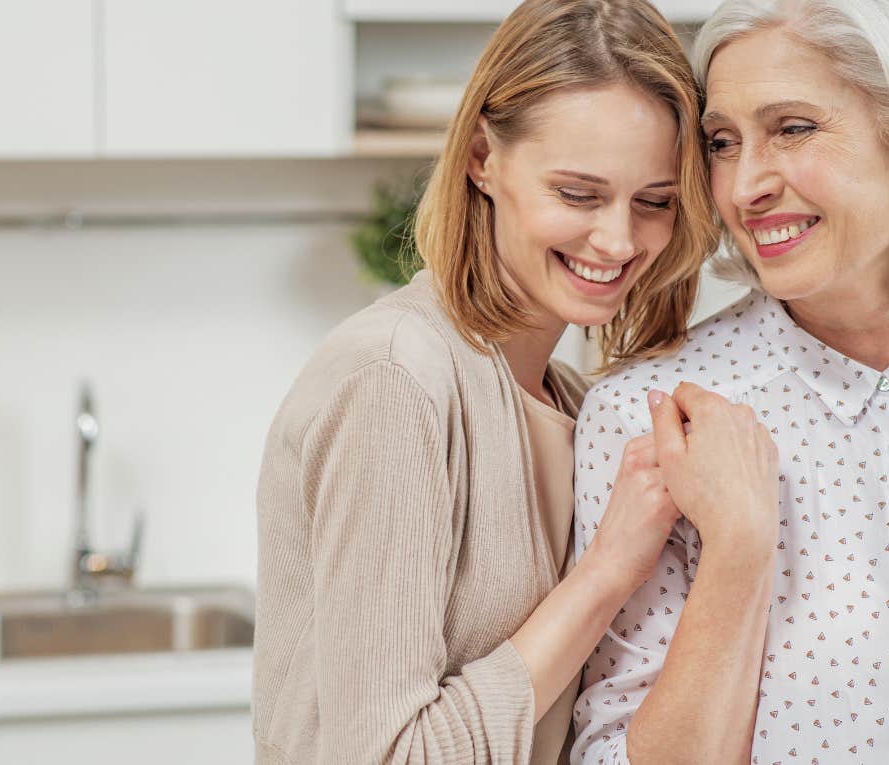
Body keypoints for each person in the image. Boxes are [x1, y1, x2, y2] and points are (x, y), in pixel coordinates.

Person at [571, 1, 889, 763]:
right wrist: (736, 554)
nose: (745, 186)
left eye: (793, 128)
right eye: (722, 142)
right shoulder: (653, 419)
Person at [252, 1, 758, 762]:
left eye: (653, 202)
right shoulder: (395, 381)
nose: (619, 239)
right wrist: (604, 575)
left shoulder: (578, 404)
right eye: (578, 194)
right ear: (482, 157)